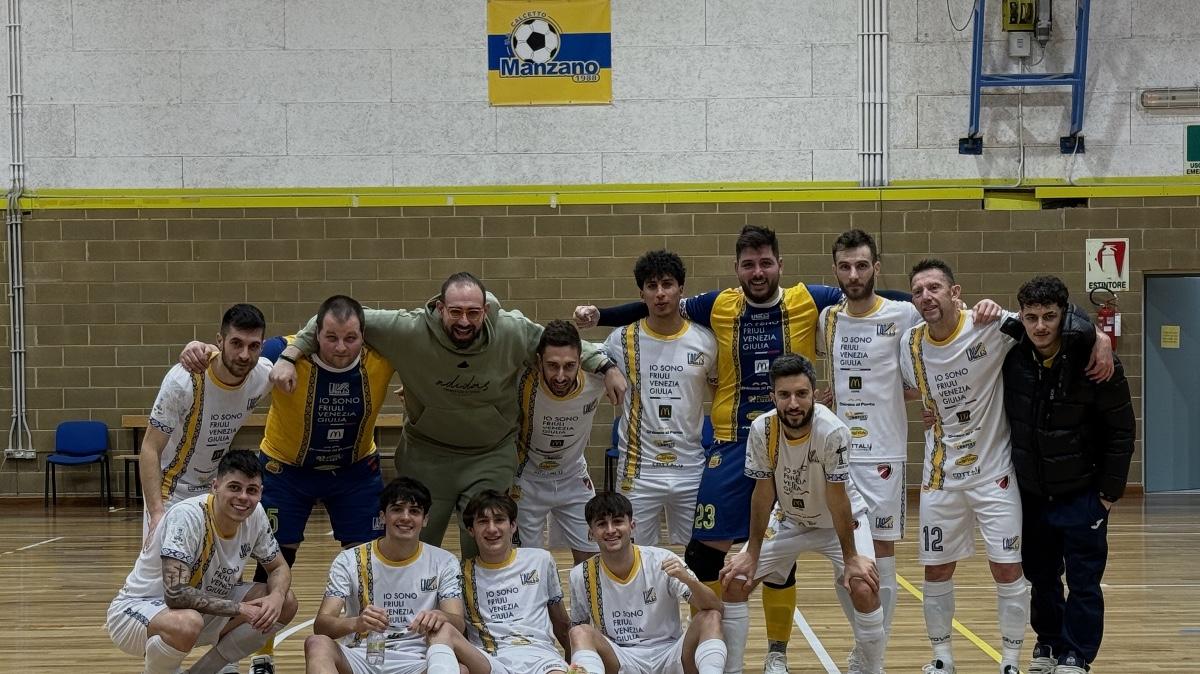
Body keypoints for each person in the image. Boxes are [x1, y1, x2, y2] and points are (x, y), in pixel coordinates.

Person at [576, 226, 907, 673]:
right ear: (737, 269)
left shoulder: (808, 299)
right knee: (707, 550)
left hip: (796, 433)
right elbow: (657, 302)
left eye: (765, 262)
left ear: (780, 266)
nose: (758, 271)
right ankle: (710, 649)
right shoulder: (718, 305)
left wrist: (931, 302)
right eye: (748, 264)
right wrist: (601, 316)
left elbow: (866, 288)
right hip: (733, 440)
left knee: (787, 557)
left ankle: (776, 652)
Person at [274, 272, 626, 559]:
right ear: (439, 308)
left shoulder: (511, 331)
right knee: (418, 548)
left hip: (490, 454)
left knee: (487, 545)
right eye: (455, 311)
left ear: (486, 311)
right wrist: (291, 355)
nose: (464, 320)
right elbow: (332, 319)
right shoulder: (406, 330)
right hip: (427, 456)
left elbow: (562, 346)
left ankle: (479, 628)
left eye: (473, 312)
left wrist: (607, 366)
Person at [178, 294, 395, 672]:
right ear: (316, 333)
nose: (340, 348)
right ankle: (263, 652)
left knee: (368, 563)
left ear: (364, 336)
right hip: (286, 470)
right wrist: (200, 349)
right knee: (273, 561)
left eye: (350, 339)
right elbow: (236, 353)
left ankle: (365, 647)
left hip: (354, 470)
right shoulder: (284, 349)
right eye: (330, 337)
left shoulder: (384, 353)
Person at [899, 258, 1030, 674]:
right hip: (941, 476)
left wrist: (1099, 337)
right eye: (918, 291)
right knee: (936, 568)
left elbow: (1050, 326)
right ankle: (942, 658)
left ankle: (1010, 661)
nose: (926, 297)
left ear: (955, 292)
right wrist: (928, 410)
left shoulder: (989, 323)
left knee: (1007, 567)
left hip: (995, 472)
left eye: (934, 288)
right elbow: (912, 390)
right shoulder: (911, 343)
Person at [720, 354, 886, 674]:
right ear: (773, 397)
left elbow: (837, 499)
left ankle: (870, 667)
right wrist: (752, 552)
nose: (793, 403)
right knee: (736, 581)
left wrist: (851, 557)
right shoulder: (762, 428)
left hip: (839, 522)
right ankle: (733, 669)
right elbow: (762, 493)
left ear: (814, 393)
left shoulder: (833, 431)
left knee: (863, 586)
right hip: (790, 519)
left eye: (801, 394)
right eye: (784, 395)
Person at [1002, 276, 1135, 674]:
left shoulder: (1096, 360)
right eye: (1031, 317)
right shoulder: (1012, 356)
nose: (1040, 326)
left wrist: (1108, 494)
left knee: (1083, 581)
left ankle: (1077, 653)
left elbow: (1122, 430)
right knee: (1040, 577)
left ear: (1063, 315)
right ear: (1021, 316)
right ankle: (1049, 642)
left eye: (1049, 316)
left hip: (1083, 493)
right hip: (1032, 493)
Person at [815, 229, 924, 670]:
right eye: (845, 266)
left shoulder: (905, 313)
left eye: (862, 265)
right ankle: (865, 645)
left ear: (876, 267)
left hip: (884, 455)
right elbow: (838, 378)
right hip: (838, 455)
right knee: (844, 553)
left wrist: (924, 397)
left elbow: (939, 347)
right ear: (836, 269)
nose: (854, 274)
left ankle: (872, 656)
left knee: (880, 553)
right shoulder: (829, 319)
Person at [107, 449, 298, 674]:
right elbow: (176, 594)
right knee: (187, 623)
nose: (243, 497)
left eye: (252, 490)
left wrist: (275, 597)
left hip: (202, 609)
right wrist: (240, 608)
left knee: (286, 602)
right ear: (215, 486)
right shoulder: (187, 516)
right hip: (140, 610)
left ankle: (202, 671)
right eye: (234, 487)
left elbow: (278, 567)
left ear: (260, 493)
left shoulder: (255, 515)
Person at [602, 250, 717, 548]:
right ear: (642, 294)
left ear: (682, 289)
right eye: (652, 286)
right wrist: (608, 367)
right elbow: (585, 357)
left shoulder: (706, 340)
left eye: (667, 284)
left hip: (690, 468)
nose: (661, 293)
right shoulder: (620, 339)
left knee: (699, 557)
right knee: (637, 557)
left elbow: (721, 393)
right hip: (638, 472)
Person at [303, 477, 465, 674]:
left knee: (461, 670)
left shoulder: (444, 561)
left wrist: (442, 616)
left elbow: (459, 623)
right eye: (397, 509)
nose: (405, 517)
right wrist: (356, 623)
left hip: (418, 661)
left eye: (414, 511)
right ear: (382, 516)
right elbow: (322, 626)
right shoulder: (349, 560)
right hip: (361, 656)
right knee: (317, 644)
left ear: (425, 520)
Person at [140, 303, 273, 543]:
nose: (244, 354)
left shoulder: (264, 375)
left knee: (219, 575)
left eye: (253, 346)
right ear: (220, 341)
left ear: (262, 347)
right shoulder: (183, 381)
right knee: (169, 575)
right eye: (236, 343)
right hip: (171, 490)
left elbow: (307, 336)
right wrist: (156, 512)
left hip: (217, 489)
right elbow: (150, 448)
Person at [566, 492, 728, 674]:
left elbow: (717, 608)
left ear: (632, 526)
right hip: (621, 658)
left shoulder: (662, 559)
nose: (611, 530)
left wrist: (688, 579)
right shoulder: (580, 575)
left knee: (710, 617)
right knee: (579, 631)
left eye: (618, 521)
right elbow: (577, 632)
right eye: (602, 524)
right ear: (591, 533)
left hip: (670, 653)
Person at [511, 319, 606, 564]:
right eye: (552, 366)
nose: (561, 376)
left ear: (580, 361)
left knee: (592, 561)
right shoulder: (522, 378)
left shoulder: (597, 378)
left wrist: (612, 370)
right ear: (538, 360)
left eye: (569, 366)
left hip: (573, 477)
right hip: (527, 479)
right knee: (528, 563)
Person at [456, 490, 573, 674]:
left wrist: (571, 664)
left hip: (541, 657)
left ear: (513, 526)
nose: (492, 529)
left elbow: (563, 625)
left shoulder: (540, 560)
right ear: (471, 530)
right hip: (489, 661)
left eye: (499, 520)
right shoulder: (460, 573)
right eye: (483, 522)